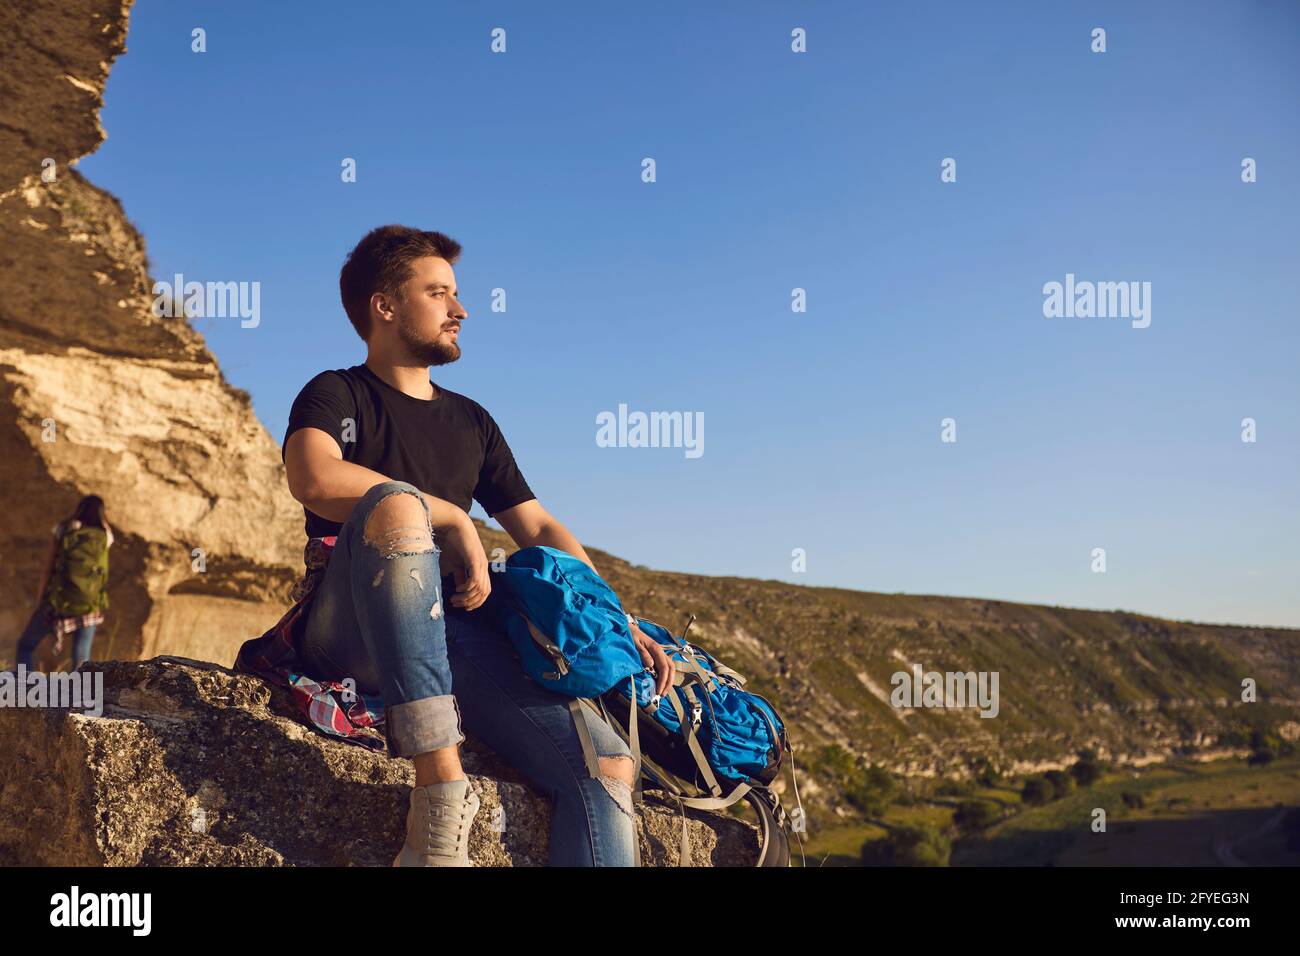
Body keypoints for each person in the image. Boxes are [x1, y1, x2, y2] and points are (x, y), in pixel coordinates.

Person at [276, 225, 676, 867]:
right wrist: (451, 518)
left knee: (608, 767)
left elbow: (539, 528)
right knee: (396, 505)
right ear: (385, 305)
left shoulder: (472, 420)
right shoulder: (337, 392)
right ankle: (439, 793)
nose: (460, 310)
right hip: (354, 629)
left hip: (459, 632)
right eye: (438, 293)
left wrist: (612, 618)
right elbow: (315, 477)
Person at [15, 495, 113, 670]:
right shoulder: (105, 535)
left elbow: (49, 567)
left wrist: (41, 599)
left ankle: (24, 689)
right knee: (82, 660)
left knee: (25, 646)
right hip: (89, 606)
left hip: (57, 602)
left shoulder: (63, 529)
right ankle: (80, 696)